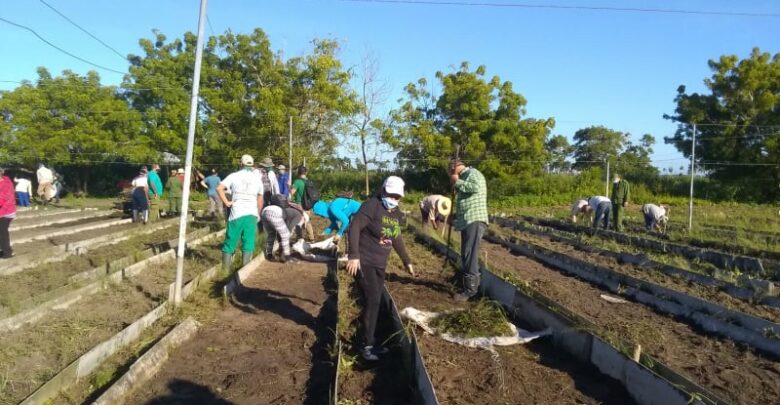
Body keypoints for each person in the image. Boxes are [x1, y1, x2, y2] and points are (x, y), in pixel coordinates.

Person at [347, 176, 415, 361]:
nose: (394, 199)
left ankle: (370, 341)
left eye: (397, 196)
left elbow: (396, 238)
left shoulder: (395, 213)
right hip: (364, 261)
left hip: (379, 264)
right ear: (383, 191)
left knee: (375, 301)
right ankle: (365, 346)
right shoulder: (372, 206)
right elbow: (354, 227)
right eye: (391, 195)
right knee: (373, 299)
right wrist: (353, 256)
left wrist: (406, 260)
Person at [448, 160, 488, 302]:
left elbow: (475, 188)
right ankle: (468, 286)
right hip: (468, 221)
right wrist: (454, 218)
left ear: (454, 168)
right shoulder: (465, 177)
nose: (449, 175)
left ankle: (470, 291)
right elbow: (465, 201)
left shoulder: (473, 173)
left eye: (449, 171)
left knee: (470, 254)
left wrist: (456, 182)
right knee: (466, 253)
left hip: (474, 219)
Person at [217, 154, 264, 269]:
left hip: (236, 214)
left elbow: (219, 188)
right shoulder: (257, 179)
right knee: (248, 242)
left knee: (230, 241)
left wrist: (227, 202)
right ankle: (245, 269)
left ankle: (225, 270)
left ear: (241, 164)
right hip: (251, 214)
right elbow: (260, 199)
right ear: (252, 165)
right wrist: (258, 213)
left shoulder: (234, 176)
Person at [261, 194, 301, 263]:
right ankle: (287, 257)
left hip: (264, 212)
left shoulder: (271, 205)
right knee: (285, 234)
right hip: (275, 214)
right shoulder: (283, 210)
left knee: (271, 234)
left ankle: (269, 254)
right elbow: (284, 228)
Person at [291, 166, 315, 240]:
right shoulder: (309, 181)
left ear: (298, 172)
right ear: (306, 172)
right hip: (308, 204)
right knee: (307, 221)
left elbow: (292, 192)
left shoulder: (297, 181)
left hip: (299, 204)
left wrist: (289, 187)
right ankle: (312, 238)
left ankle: (300, 238)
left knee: (299, 221)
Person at [0, 168, 17, 259]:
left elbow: (1, 200)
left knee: (2, 233)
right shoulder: (6, 179)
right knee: (3, 232)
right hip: (8, 211)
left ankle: (7, 253)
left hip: (5, 213)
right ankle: (7, 250)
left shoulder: (4, 185)